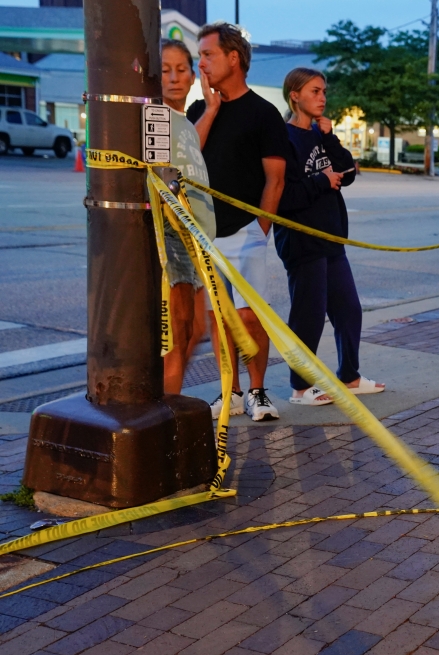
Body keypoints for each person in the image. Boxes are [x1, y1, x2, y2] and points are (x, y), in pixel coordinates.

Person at [187, 22, 286, 421]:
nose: (201, 63)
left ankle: (257, 392)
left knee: (249, 316)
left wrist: (259, 230)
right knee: (218, 318)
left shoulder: (264, 113)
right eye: (199, 56)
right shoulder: (199, 110)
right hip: (206, 234)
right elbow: (187, 159)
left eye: (207, 54)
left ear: (234, 58)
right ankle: (229, 391)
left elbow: (275, 179)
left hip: (246, 232)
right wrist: (210, 109)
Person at [277, 68, 384, 403]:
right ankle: (301, 387)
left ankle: (349, 377)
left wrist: (330, 138)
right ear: (294, 95)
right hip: (302, 239)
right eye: (314, 91)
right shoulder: (284, 139)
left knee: (348, 309)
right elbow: (284, 196)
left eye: (324, 91)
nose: (322, 97)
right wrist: (322, 181)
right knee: (308, 316)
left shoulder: (320, 134)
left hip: (331, 237)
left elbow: (349, 173)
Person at [160, 39, 216, 394]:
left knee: (196, 329)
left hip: (195, 240)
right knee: (178, 336)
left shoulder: (181, 121)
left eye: (181, 69)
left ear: (193, 75)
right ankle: (166, 421)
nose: (174, 77)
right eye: (165, 70)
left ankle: (170, 408)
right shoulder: (154, 116)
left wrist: (210, 109)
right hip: (172, 236)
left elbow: (188, 147)